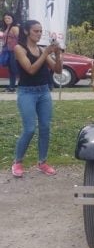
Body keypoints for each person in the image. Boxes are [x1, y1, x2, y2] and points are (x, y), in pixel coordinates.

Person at [10, 20, 63, 178]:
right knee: (30, 129)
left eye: (40, 31)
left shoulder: (41, 49)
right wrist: (46, 53)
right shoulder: (19, 48)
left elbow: (58, 70)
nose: (39, 34)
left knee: (45, 127)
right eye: (36, 31)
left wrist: (58, 54)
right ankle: (18, 162)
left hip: (43, 91)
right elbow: (31, 70)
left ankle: (42, 162)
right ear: (26, 32)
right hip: (27, 93)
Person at [2, 12, 20, 92]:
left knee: (15, 69)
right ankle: (11, 87)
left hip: (14, 51)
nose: (7, 20)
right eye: (5, 18)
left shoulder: (15, 28)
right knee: (10, 70)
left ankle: (23, 86)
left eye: (9, 18)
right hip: (7, 51)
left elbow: (19, 39)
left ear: (12, 19)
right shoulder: (6, 28)